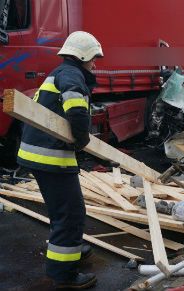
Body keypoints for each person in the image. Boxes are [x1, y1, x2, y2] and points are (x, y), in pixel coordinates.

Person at [17, 31, 103, 289]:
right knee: (71, 215)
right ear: (83, 56)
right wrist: (82, 140)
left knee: (61, 212)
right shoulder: (71, 75)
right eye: (93, 59)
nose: (95, 64)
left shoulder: (60, 72)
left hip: (39, 154)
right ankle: (63, 274)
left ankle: (71, 249)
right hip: (51, 157)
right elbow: (76, 111)